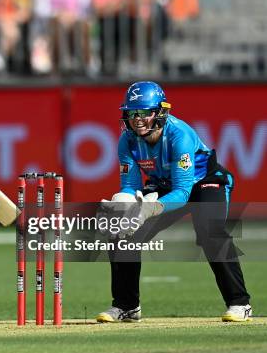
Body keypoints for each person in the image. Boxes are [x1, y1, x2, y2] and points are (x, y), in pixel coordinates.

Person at [96, 81, 252, 323]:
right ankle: (127, 306)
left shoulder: (179, 135)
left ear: (160, 112)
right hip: (164, 185)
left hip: (204, 182)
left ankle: (240, 303)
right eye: (132, 113)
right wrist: (125, 206)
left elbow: (182, 192)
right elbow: (130, 185)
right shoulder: (126, 140)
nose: (137, 119)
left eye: (144, 113)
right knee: (123, 233)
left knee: (211, 232)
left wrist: (148, 209)